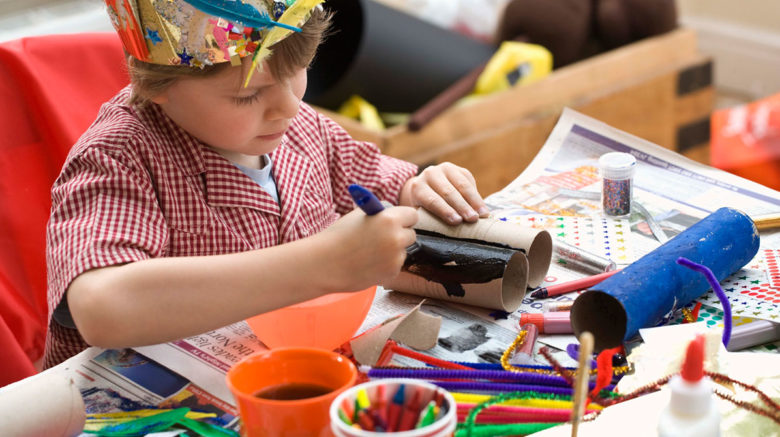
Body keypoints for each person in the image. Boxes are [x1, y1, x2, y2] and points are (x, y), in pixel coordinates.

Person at [44, 0, 490, 367]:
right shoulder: (120, 156)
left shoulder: (296, 124)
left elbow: (388, 185)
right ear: (157, 84)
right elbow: (101, 307)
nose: (289, 107)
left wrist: (425, 186)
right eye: (247, 95)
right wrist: (319, 264)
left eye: (299, 72)